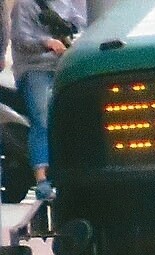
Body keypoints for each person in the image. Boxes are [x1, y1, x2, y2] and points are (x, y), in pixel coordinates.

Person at [10, 0, 86, 204]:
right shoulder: (24, 5)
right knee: (42, 118)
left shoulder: (65, 3)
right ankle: (41, 178)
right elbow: (20, 39)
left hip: (63, 66)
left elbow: (80, 24)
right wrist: (46, 43)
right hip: (35, 68)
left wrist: (73, 30)